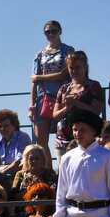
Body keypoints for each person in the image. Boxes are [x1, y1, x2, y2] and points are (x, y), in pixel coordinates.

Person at [51, 51, 104, 158]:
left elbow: (96, 111)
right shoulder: (64, 88)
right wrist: (67, 108)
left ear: (85, 67)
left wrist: (76, 103)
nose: (74, 71)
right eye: (71, 68)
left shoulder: (94, 86)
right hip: (63, 140)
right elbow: (55, 115)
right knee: (64, 173)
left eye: (77, 67)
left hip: (84, 139)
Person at [29, 20, 73, 150]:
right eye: (47, 32)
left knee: (66, 138)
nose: (50, 34)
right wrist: (32, 106)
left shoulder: (68, 50)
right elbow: (34, 83)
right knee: (41, 140)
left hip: (63, 97)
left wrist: (39, 76)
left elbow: (63, 74)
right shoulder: (40, 55)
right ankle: (47, 170)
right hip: (44, 98)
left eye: (53, 31)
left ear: (60, 31)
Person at [0, 109, 30, 176]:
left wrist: (2, 173)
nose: (3, 129)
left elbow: (20, 162)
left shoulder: (23, 138)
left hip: (17, 173)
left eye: (6, 126)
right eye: (0, 126)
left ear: (14, 126)